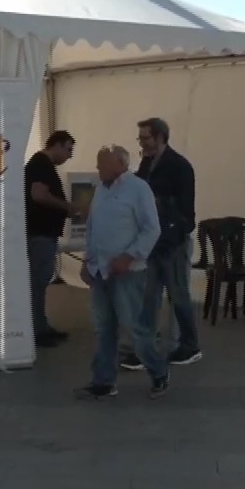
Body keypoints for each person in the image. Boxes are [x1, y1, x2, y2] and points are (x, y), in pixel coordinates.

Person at [77, 145, 167, 400]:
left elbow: (152, 229)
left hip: (127, 273)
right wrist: (87, 261)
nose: (97, 168)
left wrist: (129, 256)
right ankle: (104, 382)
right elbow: (93, 227)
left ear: (120, 164)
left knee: (134, 328)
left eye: (101, 164)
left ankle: (159, 371)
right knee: (104, 328)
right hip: (100, 271)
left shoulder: (138, 189)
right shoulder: (100, 190)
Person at [124, 118, 199, 369]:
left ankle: (190, 346)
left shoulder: (180, 167)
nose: (142, 143)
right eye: (140, 139)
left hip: (172, 243)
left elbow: (187, 214)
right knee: (149, 297)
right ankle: (145, 348)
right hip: (152, 242)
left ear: (160, 137)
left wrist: (171, 234)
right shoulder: (146, 164)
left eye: (145, 138)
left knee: (178, 296)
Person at [25, 130, 81, 347]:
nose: (69, 155)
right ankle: (36, 330)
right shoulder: (40, 164)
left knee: (40, 282)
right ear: (55, 145)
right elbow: (38, 194)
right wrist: (67, 207)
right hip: (39, 234)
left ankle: (41, 325)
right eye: (68, 149)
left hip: (43, 234)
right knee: (37, 283)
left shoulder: (43, 166)